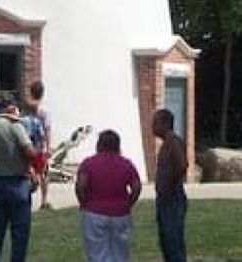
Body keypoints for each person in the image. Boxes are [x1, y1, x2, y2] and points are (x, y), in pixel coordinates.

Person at [0, 99, 36, 262]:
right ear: (12, 109)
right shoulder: (15, 125)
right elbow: (29, 151)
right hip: (17, 182)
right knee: (19, 235)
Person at [75, 130, 141, 262]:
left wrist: (84, 202)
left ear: (99, 144)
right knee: (120, 253)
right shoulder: (126, 163)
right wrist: (128, 203)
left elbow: (81, 185)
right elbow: (136, 187)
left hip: (94, 212)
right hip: (120, 213)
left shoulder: (89, 163)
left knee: (97, 253)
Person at [152, 109, 188, 262]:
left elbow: (182, 165)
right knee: (166, 243)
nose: (152, 126)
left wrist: (169, 185)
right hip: (165, 199)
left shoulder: (173, 141)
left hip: (172, 199)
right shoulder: (166, 143)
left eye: (156, 123)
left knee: (173, 244)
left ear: (165, 124)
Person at [26, 80, 52, 210]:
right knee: (43, 174)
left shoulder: (27, 108)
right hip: (40, 146)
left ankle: (27, 198)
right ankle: (44, 200)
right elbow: (47, 129)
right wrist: (49, 146)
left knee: (28, 172)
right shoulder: (44, 110)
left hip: (28, 145)